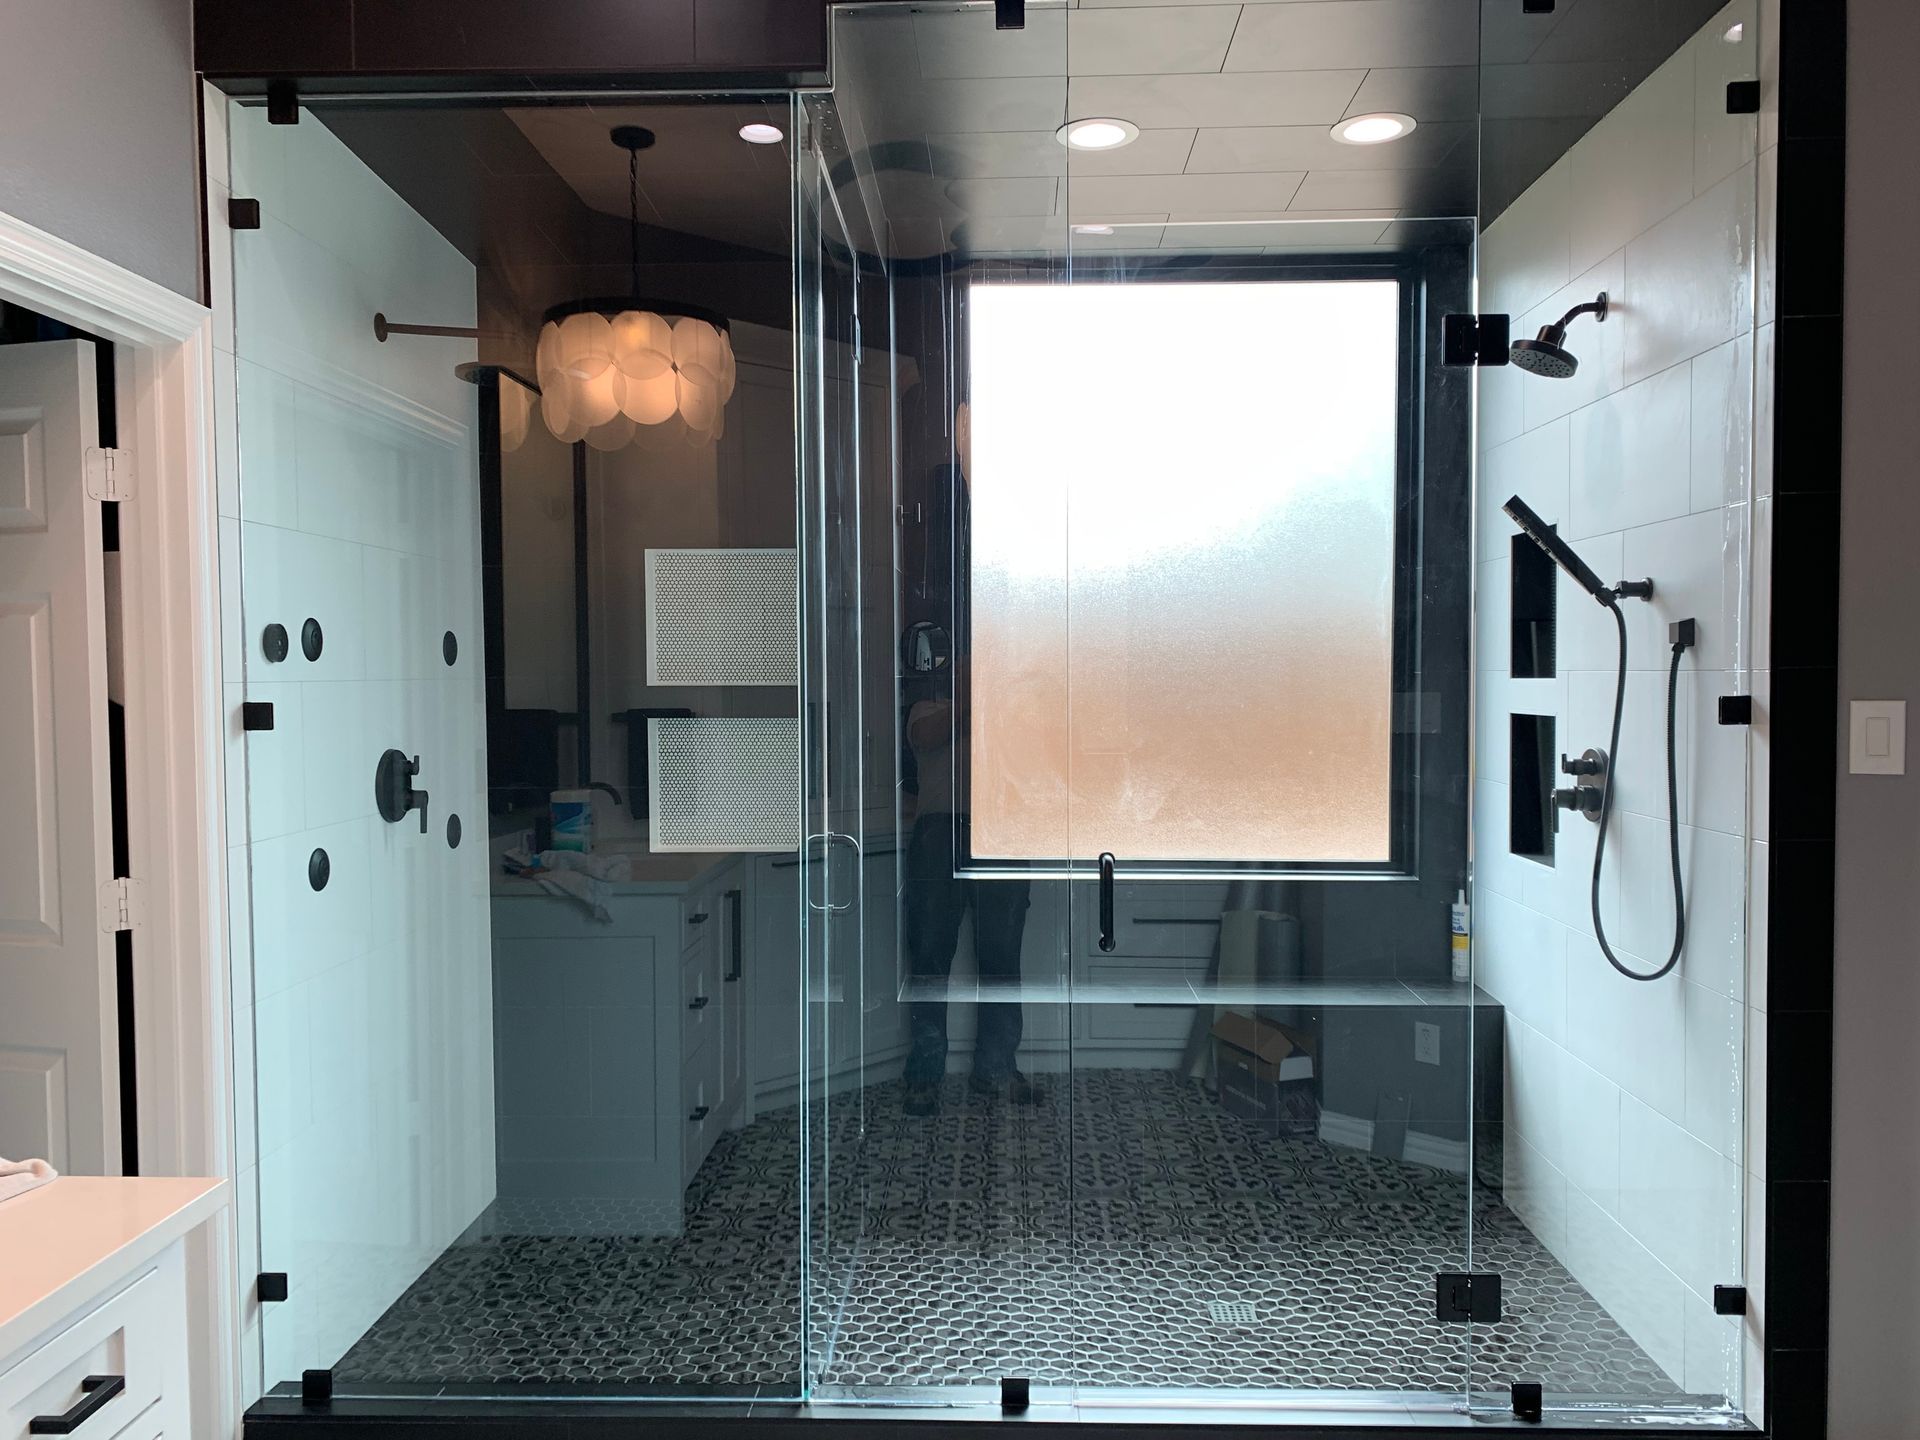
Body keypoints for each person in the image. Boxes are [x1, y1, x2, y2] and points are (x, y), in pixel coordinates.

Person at [898, 399, 1037, 1118]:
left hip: (1006, 827)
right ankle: (924, 1075)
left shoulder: (1017, 664)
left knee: (1002, 964)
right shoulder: (934, 655)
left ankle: (994, 1070)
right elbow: (921, 735)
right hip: (940, 825)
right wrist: (972, 696)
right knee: (930, 960)